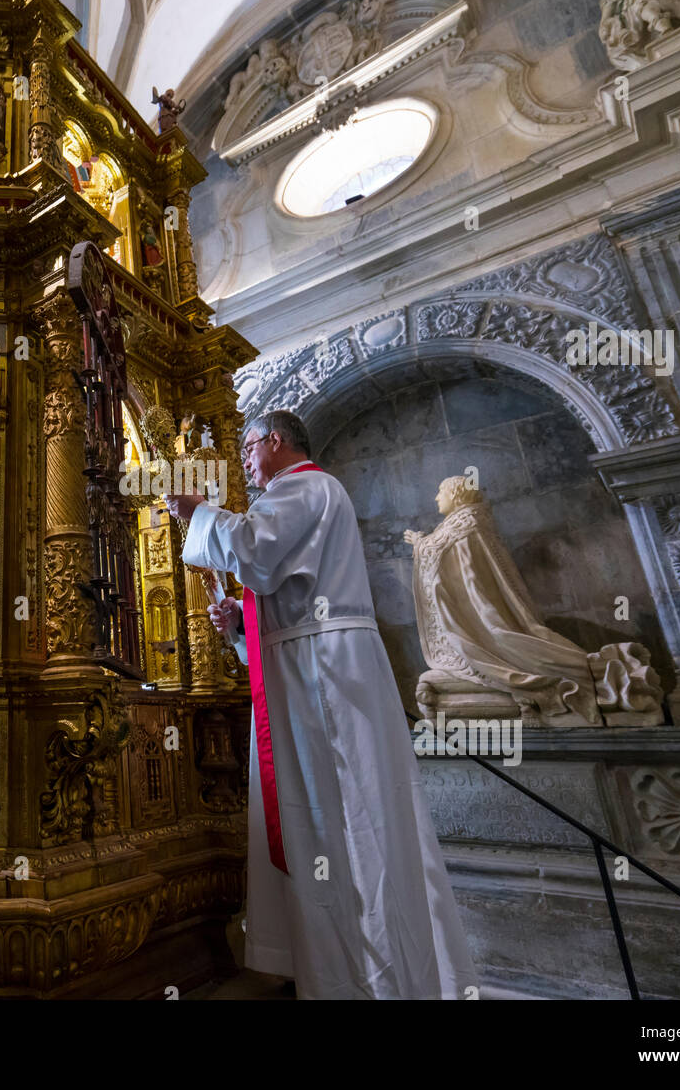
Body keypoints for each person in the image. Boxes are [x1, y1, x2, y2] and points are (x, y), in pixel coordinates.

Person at [164, 409, 478, 999]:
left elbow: (253, 549)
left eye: (250, 450)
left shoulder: (304, 486)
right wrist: (240, 626)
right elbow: (284, 585)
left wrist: (196, 512)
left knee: (345, 820)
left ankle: (371, 978)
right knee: (331, 822)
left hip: (324, 676)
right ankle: (344, 974)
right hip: (309, 663)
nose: (249, 466)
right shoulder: (307, 491)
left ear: (274, 441)